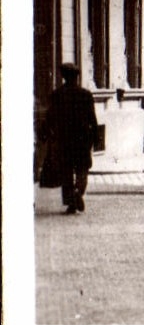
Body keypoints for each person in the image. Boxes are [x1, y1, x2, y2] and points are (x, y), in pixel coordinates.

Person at [42, 64, 98, 214]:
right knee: (82, 170)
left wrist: (45, 134)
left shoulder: (57, 95)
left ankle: (71, 200)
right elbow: (92, 119)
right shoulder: (86, 95)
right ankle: (78, 193)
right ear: (77, 76)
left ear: (63, 76)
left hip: (64, 139)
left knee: (66, 171)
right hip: (82, 139)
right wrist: (96, 137)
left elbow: (50, 118)